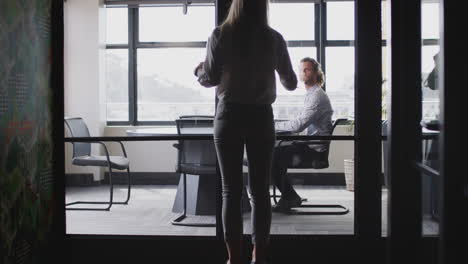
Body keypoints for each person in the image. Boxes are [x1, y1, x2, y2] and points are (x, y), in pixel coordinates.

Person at [194, 0, 297, 263]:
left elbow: (211, 79)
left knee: (230, 189)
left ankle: (234, 258)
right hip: (261, 116)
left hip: (229, 114)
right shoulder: (273, 39)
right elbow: (291, 82)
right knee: (260, 191)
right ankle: (259, 257)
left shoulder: (220, 35)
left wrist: (199, 69)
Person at [273, 57, 334, 213]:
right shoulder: (312, 94)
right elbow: (299, 123)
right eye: (301, 70)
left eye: (307, 69)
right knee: (274, 153)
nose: (303, 72)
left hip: (314, 150)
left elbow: (298, 125)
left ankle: (290, 196)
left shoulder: (317, 96)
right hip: (308, 144)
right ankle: (288, 196)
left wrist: (272, 125)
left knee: (270, 158)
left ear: (316, 73)